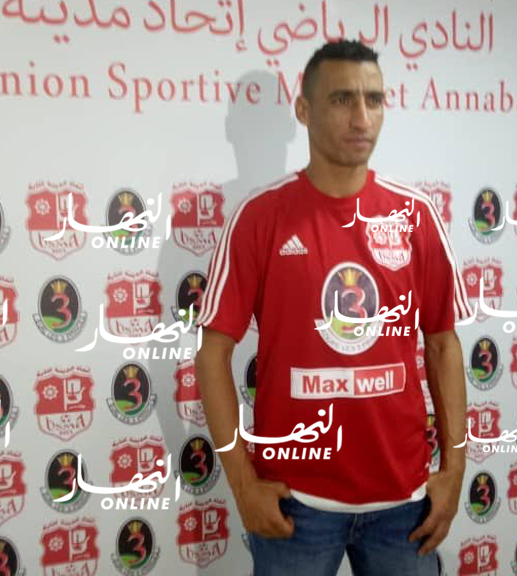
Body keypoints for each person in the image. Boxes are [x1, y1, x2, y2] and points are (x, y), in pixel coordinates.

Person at [194, 39, 469, 576]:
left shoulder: (415, 216)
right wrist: (243, 484)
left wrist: (454, 468)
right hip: (294, 503)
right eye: (343, 99)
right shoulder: (260, 217)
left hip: (404, 502)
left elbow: (443, 344)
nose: (362, 117)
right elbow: (211, 355)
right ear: (304, 110)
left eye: (374, 99)